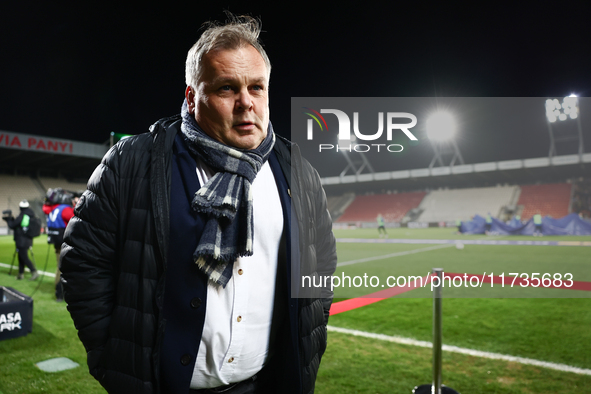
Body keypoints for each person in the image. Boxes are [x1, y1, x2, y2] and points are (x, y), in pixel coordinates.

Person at [60, 14, 337, 394]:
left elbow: (321, 263)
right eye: (226, 88)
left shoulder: (299, 171)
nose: (246, 104)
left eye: (257, 87)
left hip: (269, 384)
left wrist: (311, 337)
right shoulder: (133, 161)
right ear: (192, 98)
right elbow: (83, 262)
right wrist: (114, 357)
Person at [43, 189, 79, 301]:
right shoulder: (65, 209)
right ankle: (60, 292)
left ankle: (59, 290)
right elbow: (76, 218)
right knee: (65, 268)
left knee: (60, 267)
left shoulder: (54, 209)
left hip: (56, 242)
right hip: (65, 243)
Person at [2, 200, 39, 280]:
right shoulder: (31, 214)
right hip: (28, 238)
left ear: (20, 207)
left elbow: (13, 225)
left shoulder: (22, 215)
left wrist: (8, 219)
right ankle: (20, 274)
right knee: (20, 256)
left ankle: (34, 272)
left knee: (23, 256)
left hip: (21, 240)